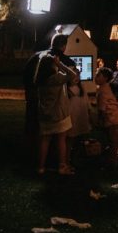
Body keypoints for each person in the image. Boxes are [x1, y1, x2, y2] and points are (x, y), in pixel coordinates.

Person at [25, 33, 80, 175]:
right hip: (59, 112)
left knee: (45, 139)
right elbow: (73, 76)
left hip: (43, 112)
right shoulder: (55, 79)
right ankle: (62, 166)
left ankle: (41, 167)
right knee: (61, 139)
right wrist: (59, 63)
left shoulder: (40, 80)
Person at [94, 67, 118, 168]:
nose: (95, 77)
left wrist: (99, 120)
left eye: (98, 75)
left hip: (113, 119)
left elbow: (102, 108)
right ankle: (111, 160)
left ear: (105, 78)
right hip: (114, 118)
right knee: (112, 141)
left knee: (113, 142)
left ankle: (113, 162)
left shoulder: (102, 90)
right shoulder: (104, 88)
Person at [65, 79, 92, 169]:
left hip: (81, 116)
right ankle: (67, 159)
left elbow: (86, 101)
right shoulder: (65, 89)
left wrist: (89, 112)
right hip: (72, 116)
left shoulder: (81, 87)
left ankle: (77, 157)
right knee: (70, 139)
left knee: (80, 138)